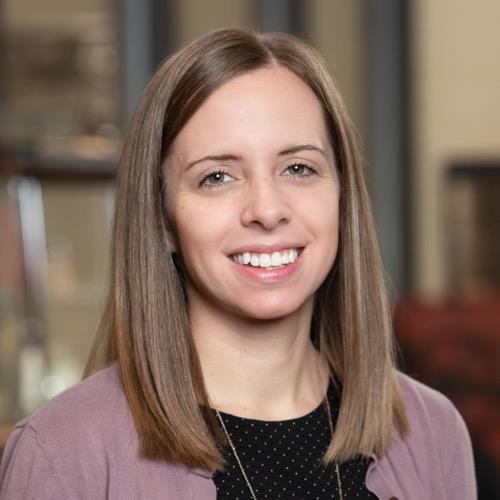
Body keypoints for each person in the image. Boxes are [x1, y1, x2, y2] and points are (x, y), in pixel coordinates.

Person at [0, 27, 476, 499]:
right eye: (218, 177)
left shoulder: (431, 431)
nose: (267, 211)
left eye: (298, 168)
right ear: (162, 218)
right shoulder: (62, 452)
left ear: (342, 198)